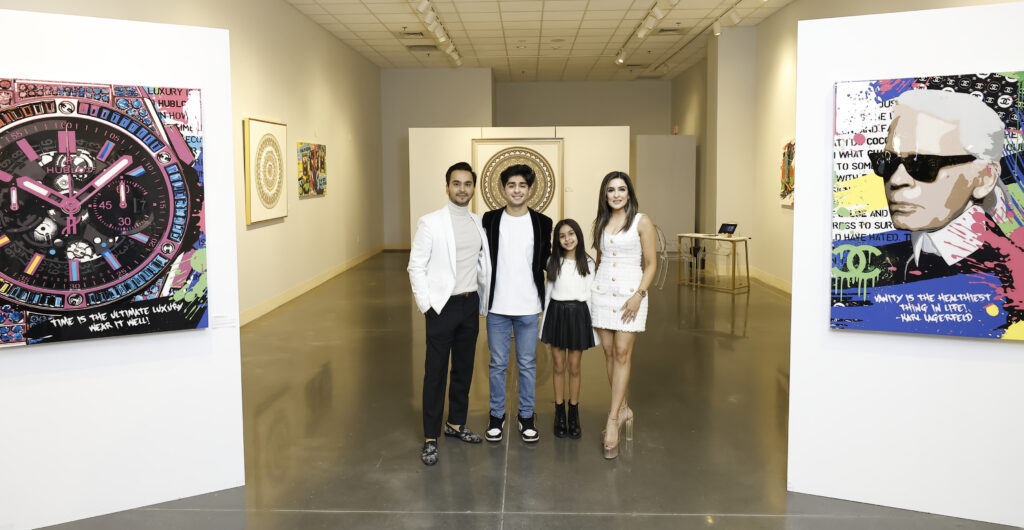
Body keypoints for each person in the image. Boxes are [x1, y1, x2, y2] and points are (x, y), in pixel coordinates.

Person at [867, 89, 1015, 286]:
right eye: (887, 162)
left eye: (924, 164)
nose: (896, 179)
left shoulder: (1009, 277)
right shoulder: (882, 266)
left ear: (984, 178)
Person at [408, 161, 491, 466]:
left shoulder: (478, 223)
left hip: (469, 305)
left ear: (473, 188)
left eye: (467, 184)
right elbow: (415, 266)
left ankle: (456, 423)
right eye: (456, 184)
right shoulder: (430, 223)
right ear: (447, 187)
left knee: (464, 369)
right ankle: (431, 437)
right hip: (442, 307)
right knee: (436, 372)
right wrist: (427, 305)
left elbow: (483, 265)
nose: (462, 189)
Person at [482, 164, 553, 443]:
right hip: (496, 307)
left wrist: (571, 265)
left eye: (522, 185)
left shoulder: (542, 222)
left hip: (528, 305)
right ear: (503, 189)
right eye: (511, 185)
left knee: (527, 363)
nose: (516, 190)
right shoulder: (488, 220)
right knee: (498, 364)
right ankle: (496, 416)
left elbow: (547, 258)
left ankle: (526, 416)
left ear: (530, 189)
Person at [590, 171, 657, 459]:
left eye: (621, 189)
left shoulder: (642, 222)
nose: (616, 194)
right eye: (610, 190)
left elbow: (652, 263)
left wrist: (638, 295)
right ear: (604, 195)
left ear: (629, 193)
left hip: (631, 294)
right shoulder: (601, 222)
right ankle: (624, 407)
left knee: (622, 353)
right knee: (607, 352)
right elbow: (602, 260)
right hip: (603, 292)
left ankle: (613, 419)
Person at [540, 219, 597, 439]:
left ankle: (573, 412)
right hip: (557, 313)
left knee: (574, 367)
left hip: (578, 315)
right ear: (557, 240)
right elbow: (547, 293)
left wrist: (592, 327)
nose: (567, 239)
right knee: (558, 365)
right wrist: (543, 324)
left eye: (571, 234)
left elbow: (591, 295)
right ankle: (559, 412)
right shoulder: (553, 262)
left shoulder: (588, 263)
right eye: (562, 236)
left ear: (578, 235)